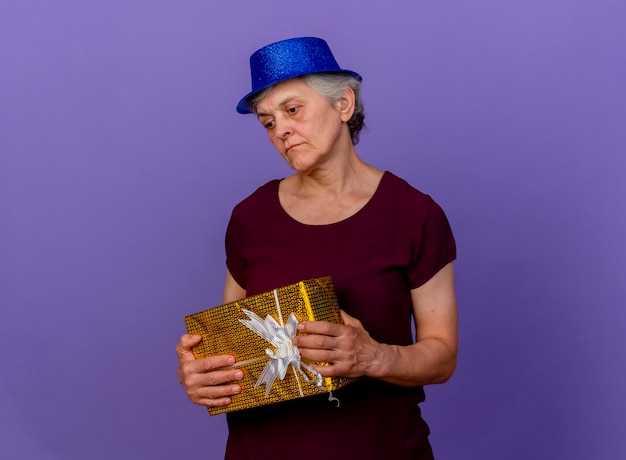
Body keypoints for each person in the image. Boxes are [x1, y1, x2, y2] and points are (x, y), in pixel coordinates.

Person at [176, 37, 457, 460]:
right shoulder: (250, 217)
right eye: (267, 122)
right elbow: (232, 348)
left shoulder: (414, 214)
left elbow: (442, 357)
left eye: (292, 110)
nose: (281, 130)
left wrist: (372, 357)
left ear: (344, 104)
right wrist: (202, 372)